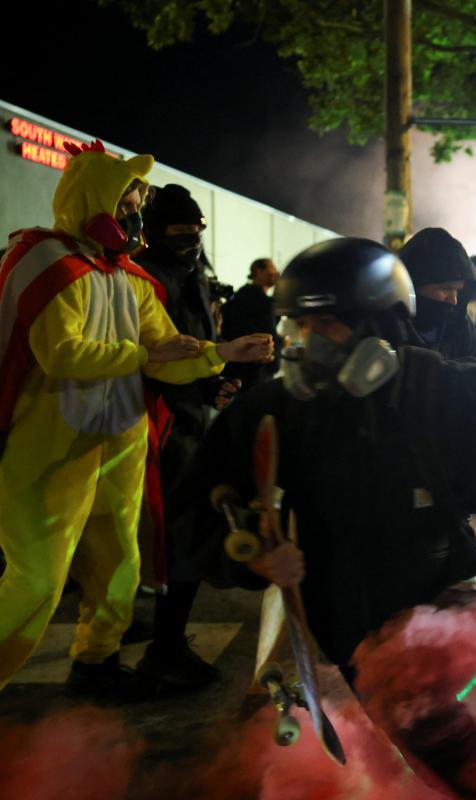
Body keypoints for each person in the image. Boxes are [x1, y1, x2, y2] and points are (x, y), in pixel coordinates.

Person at [180, 237, 476, 797]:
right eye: (298, 327)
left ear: (379, 326)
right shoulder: (278, 409)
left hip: (440, 588)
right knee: (426, 739)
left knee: (445, 735)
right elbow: (196, 505)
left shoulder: (446, 392)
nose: (306, 344)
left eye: (326, 326)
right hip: (344, 612)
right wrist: (250, 553)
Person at [0, 141, 273, 701]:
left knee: (120, 569)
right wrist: (146, 355)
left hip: (120, 446)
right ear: (91, 201)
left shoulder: (133, 280)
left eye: (137, 203)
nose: (134, 214)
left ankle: (95, 665)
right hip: (48, 449)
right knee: (37, 581)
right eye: (125, 202)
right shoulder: (47, 263)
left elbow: (166, 352)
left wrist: (221, 353)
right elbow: (62, 354)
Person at [135, 184, 241, 691]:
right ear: (158, 232)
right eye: (181, 229)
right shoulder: (145, 277)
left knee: (182, 533)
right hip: (161, 422)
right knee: (178, 535)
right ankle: (163, 646)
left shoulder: (191, 272)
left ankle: (160, 638)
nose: (192, 238)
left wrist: (215, 383)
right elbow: (159, 354)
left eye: (197, 228)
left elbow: (197, 344)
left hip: (192, 416)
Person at [398, 228, 476, 362]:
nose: (454, 300)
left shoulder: (461, 326)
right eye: (446, 289)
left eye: (457, 291)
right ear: (413, 284)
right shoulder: (389, 327)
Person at [220, 258, 281, 392]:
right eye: (272, 269)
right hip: (252, 368)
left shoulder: (257, 297)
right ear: (259, 272)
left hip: (257, 365)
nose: (276, 273)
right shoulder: (250, 295)